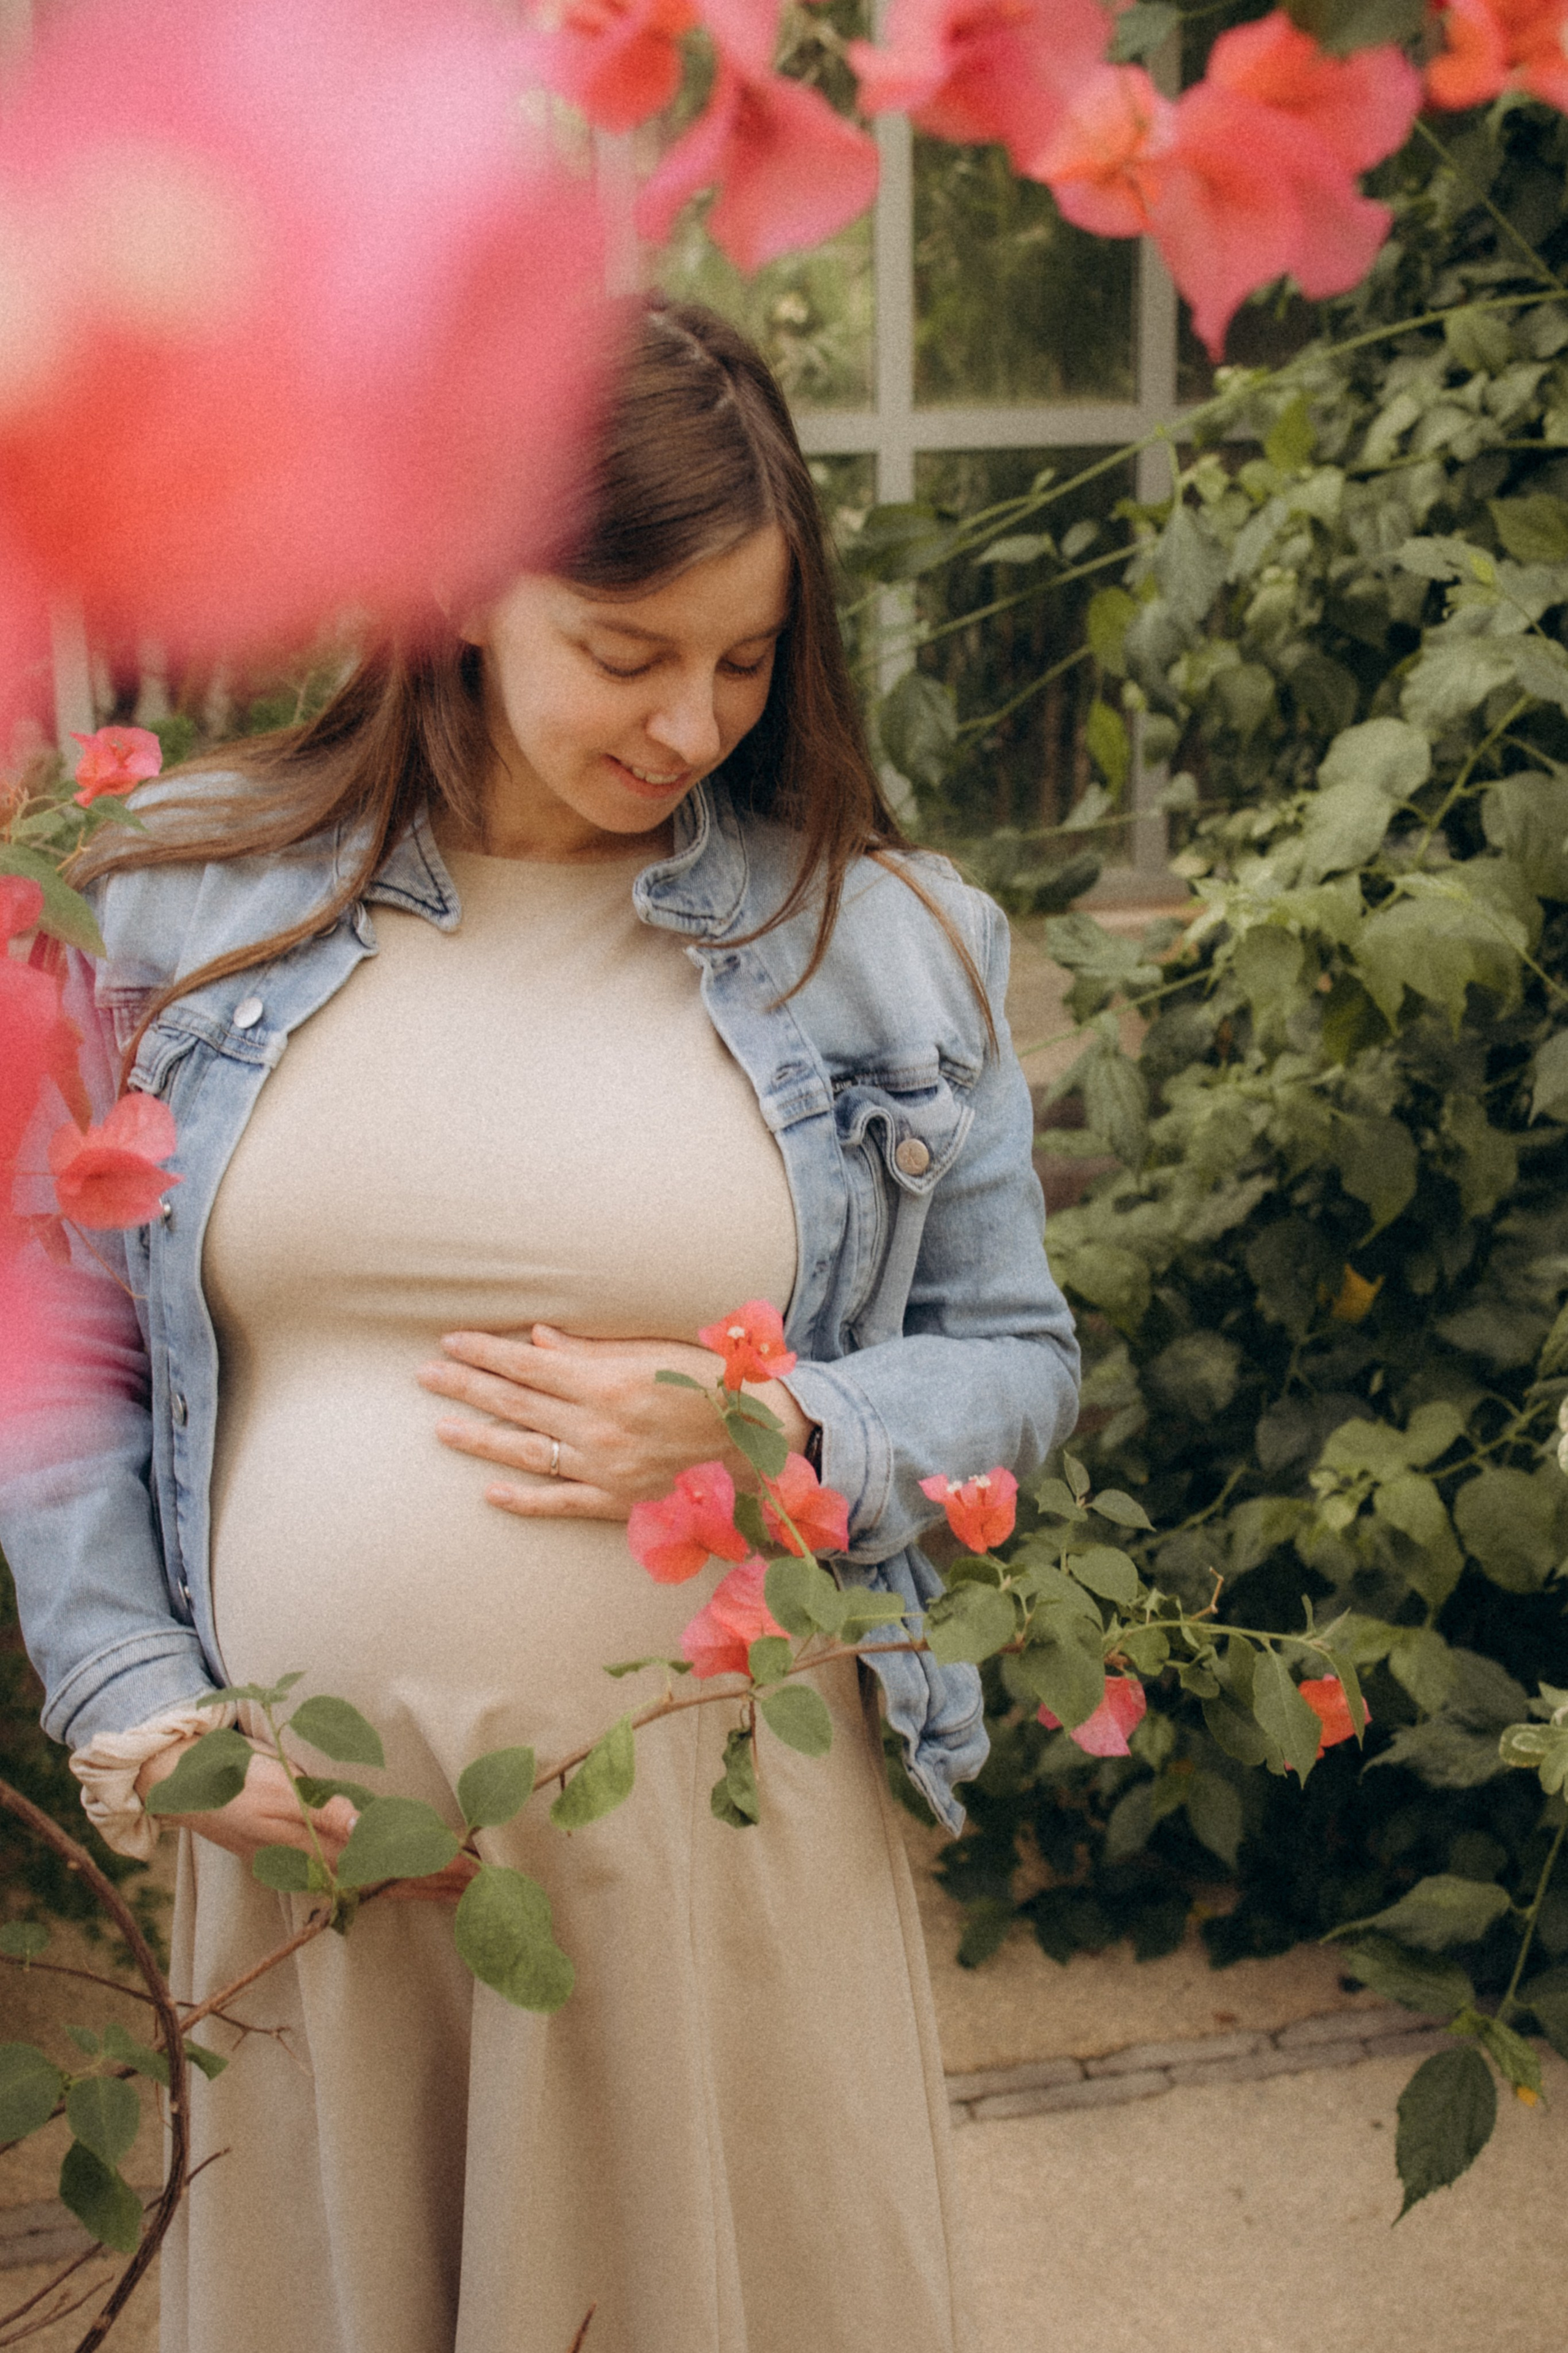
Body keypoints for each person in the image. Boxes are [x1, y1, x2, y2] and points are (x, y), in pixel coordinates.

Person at [1, 295, 1079, 2353]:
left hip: (714, 1851)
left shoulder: (887, 947)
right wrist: (136, 1698)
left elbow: (1015, 1358)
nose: (691, 723)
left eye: (745, 660)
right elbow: (54, 1345)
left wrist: (777, 1428)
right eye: (628, 648)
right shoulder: (177, 906)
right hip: (323, 1841)